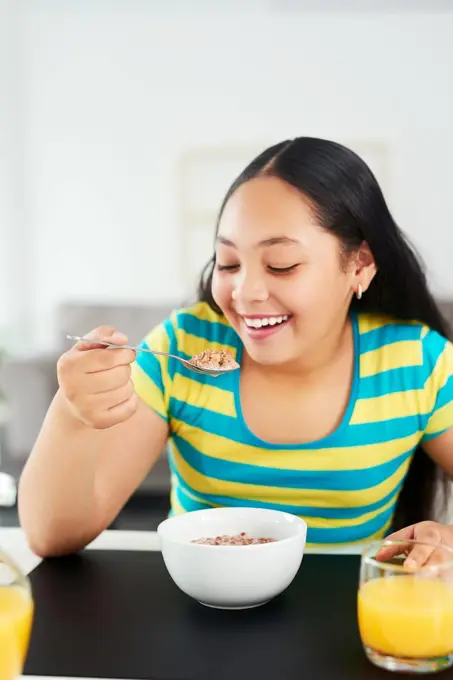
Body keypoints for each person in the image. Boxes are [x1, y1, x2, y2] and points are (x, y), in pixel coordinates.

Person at [18, 137, 453, 567]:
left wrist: (444, 540)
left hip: (351, 619)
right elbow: (50, 536)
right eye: (227, 264)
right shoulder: (180, 350)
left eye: (281, 264)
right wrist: (73, 415)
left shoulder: (416, 363)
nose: (245, 292)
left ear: (359, 264)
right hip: (199, 611)